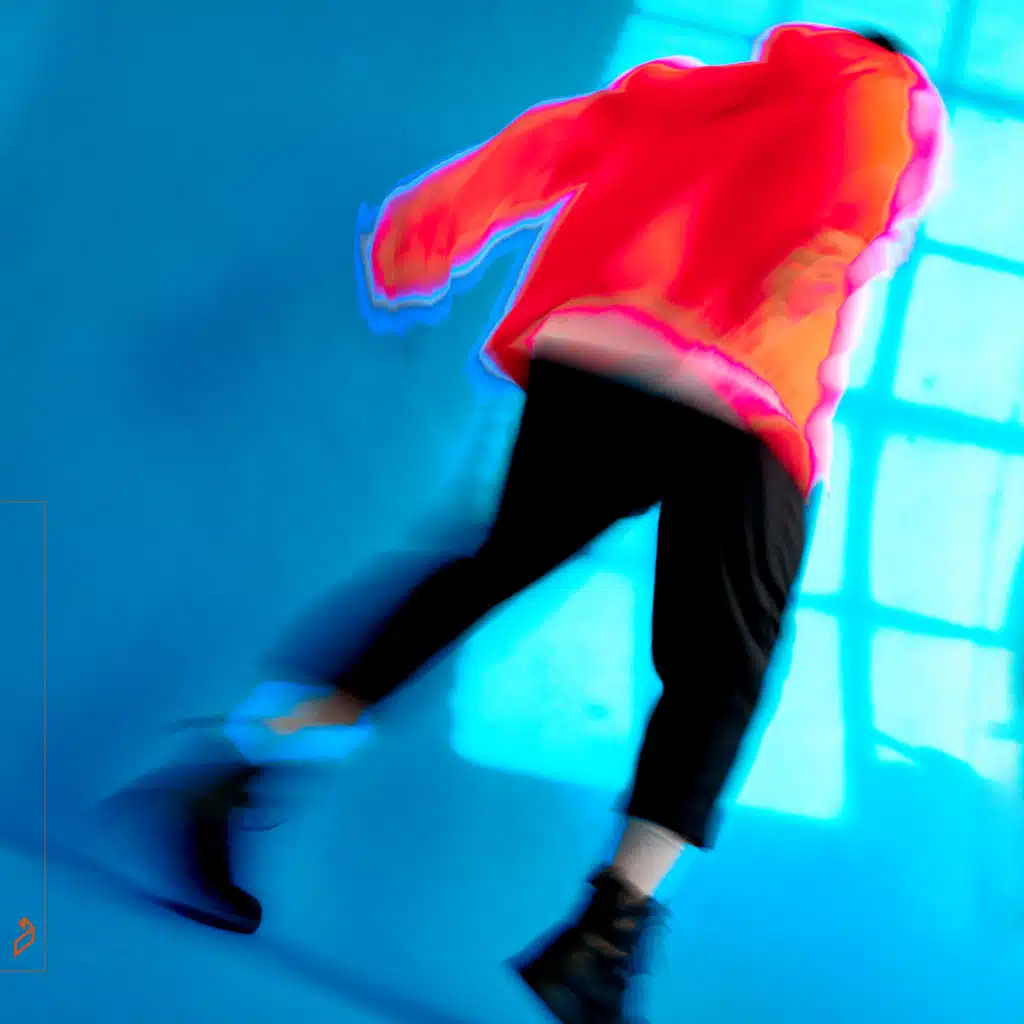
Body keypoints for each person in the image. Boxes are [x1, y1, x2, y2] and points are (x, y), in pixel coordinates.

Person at [144, 23, 947, 1024]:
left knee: (482, 571)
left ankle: (240, 767)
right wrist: (827, 249)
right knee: (717, 674)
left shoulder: (679, 93)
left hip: (596, 356)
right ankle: (602, 938)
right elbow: (869, 173)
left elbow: (544, 145)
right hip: (743, 387)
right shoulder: (886, 90)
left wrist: (429, 231)